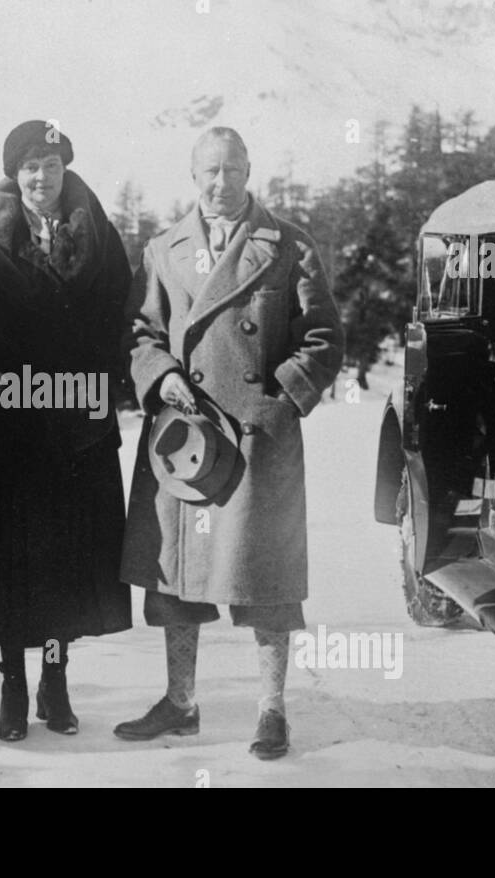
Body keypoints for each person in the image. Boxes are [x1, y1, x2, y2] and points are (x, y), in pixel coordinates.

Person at [114, 128, 343, 759]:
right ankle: (180, 703)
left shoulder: (289, 245)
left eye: (234, 169)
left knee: (265, 580)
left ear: (250, 170)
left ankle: (272, 710)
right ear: (194, 175)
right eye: (211, 171)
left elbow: (324, 338)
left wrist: (281, 398)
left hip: (256, 442)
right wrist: (160, 379)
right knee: (175, 578)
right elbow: (141, 332)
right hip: (185, 440)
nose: (223, 183)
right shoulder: (164, 249)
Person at [0, 120, 133, 741]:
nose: (41, 177)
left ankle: (54, 685)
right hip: (10, 429)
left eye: (51, 166)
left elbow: (121, 315)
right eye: (30, 166)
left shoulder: (99, 235)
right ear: (15, 173)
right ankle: (12, 686)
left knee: (65, 562)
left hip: (77, 430)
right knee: (11, 562)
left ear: (65, 171)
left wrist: (107, 385)